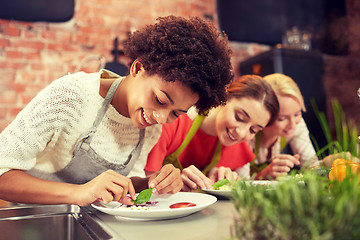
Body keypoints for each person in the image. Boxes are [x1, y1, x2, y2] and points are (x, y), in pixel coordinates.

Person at [0, 16, 233, 206]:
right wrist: (79, 193)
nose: (161, 117)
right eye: (160, 100)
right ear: (138, 67)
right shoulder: (72, 96)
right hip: (33, 220)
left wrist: (152, 182)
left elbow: (127, 183)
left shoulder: (150, 127)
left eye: (176, 113)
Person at [145, 75, 279, 191]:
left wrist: (226, 180)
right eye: (239, 117)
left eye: (253, 130)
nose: (241, 133)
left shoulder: (238, 146)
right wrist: (174, 183)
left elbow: (242, 193)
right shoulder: (173, 121)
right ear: (224, 98)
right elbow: (143, 182)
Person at [249, 73, 319, 180]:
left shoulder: (297, 124)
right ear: (265, 115)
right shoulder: (248, 131)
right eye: (282, 118)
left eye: (297, 114)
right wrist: (265, 173)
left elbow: (310, 166)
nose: (292, 125)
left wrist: (330, 163)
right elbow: (236, 183)